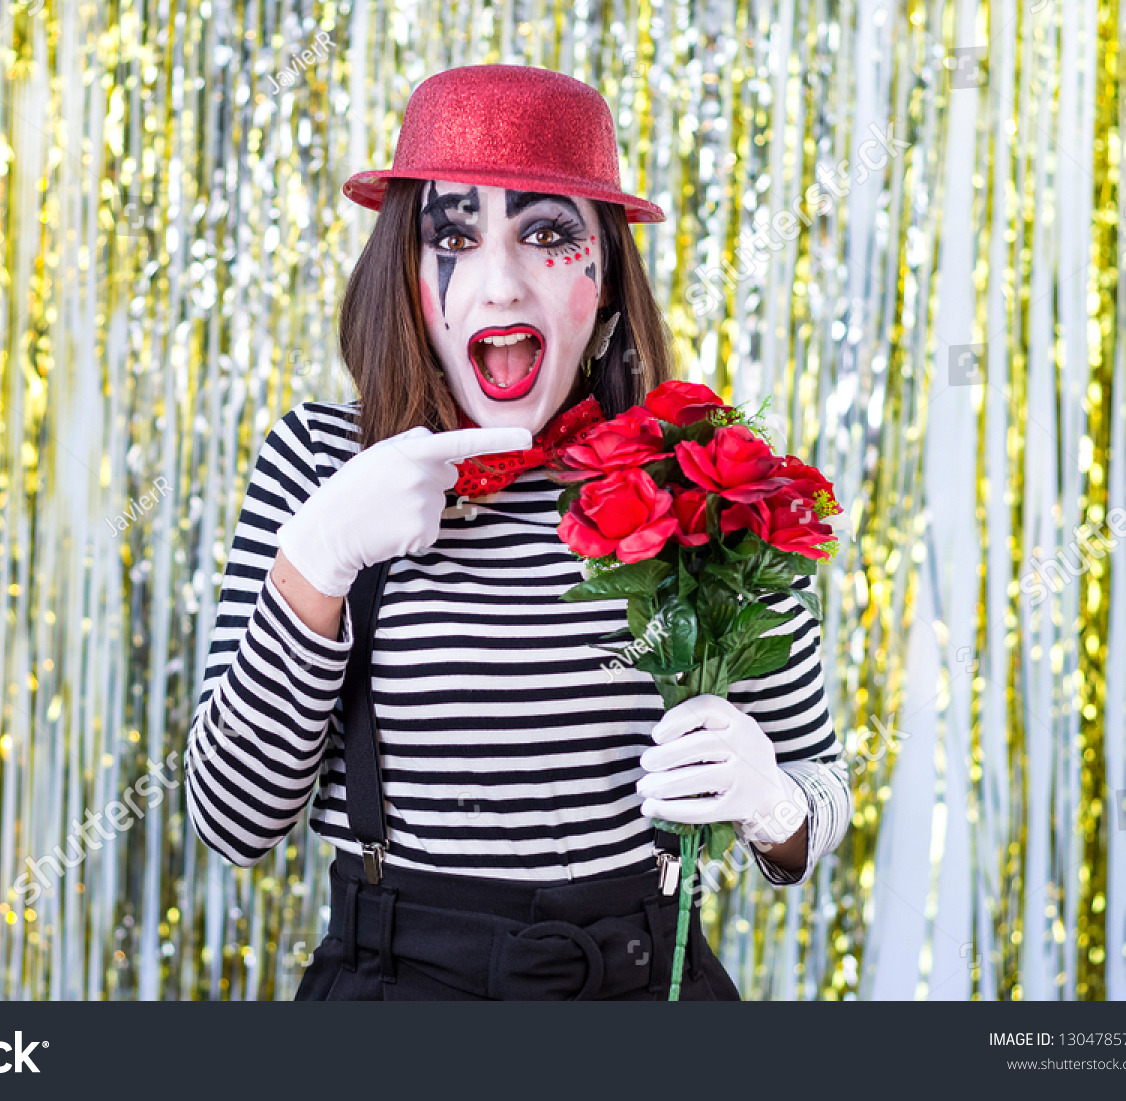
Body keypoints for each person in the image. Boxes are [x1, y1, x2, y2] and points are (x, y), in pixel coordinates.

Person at [185, 64, 850, 1001]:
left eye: (546, 234)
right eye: (453, 234)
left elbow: (819, 800)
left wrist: (773, 802)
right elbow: (231, 822)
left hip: (642, 981)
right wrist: (317, 559)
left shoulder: (699, 474)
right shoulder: (319, 463)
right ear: (408, 274)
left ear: (606, 270)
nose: (496, 282)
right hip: (395, 986)